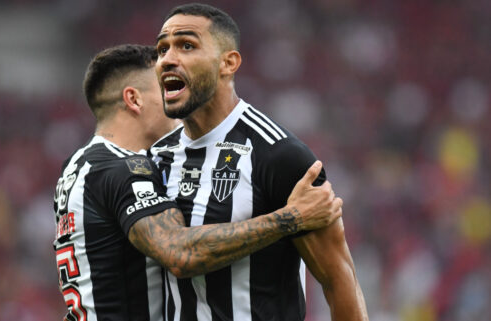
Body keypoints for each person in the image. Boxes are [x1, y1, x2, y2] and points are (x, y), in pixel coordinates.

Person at [53, 44, 342, 321]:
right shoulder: (123, 169)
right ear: (134, 99)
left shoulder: (78, 167)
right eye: (164, 89)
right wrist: (290, 218)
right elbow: (178, 253)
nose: (173, 101)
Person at [150, 3, 368, 321]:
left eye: (186, 45)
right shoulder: (154, 159)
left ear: (228, 63)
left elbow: (338, 281)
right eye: (161, 49)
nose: (168, 59)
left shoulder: (279, 156)